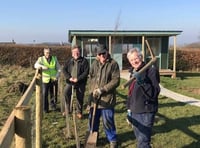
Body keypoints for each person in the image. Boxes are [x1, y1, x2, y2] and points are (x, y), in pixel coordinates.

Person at [126, 47, 160, 148]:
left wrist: (143, 82)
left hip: (146, 111)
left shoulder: (151, 71)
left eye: (136, 58)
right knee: (140, 139)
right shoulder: (133, 73)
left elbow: (154, 93)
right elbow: (130, 93)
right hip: (135, 111)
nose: (134, 61)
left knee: (143, 142)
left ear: (141, 57)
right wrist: (129, 109)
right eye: (131, 60)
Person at [87, 45, 120, 148]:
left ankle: (112, 140)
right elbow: (91, 78)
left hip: (107, 99)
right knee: (92, 120)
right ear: (97, 55)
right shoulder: (94, 64)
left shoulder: (113, 64)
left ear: (107, 52)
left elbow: (116, 80)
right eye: (99, 54)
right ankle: (93, 137)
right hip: (95, 98)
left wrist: (102, 89)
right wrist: (92, 93)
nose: (102, 56)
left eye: (103, 53)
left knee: (108, 121)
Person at [63, 45, 89, 119]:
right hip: (70, 81)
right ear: (72, 53)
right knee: (66, 92)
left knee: (79, 96)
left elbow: (86, 72)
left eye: (77, 52)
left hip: (80, 82)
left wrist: (78, 79)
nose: (76, 53)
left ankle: (79, 112)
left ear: (80, 52)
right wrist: (69, 77)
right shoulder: (69, 61)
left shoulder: (84, 61)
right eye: (74, 52)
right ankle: (67, 109)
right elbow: (64, 70)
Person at [34, 48, 61, 113]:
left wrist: (57, 76)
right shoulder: (41, 59)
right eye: (46, 52)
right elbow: (35, 65)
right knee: (45, 94)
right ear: (44, 53)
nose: (48, 54)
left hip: (53, 79)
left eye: (49, 52)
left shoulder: (54, 59)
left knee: (53, 94)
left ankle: (53, 106)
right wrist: (43, 67)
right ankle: (45, 109)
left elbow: (59, 68)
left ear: (51, 52)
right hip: (45, 80)